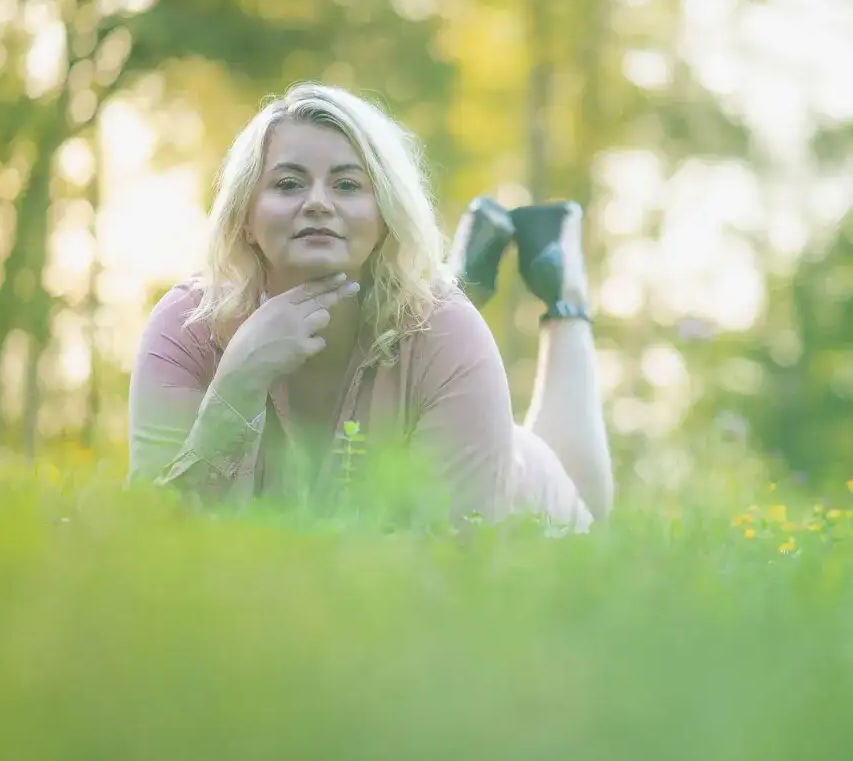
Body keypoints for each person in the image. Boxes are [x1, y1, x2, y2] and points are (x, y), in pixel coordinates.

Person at [126, 82, 614, 532]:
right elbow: (151, 538)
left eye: (347, 185)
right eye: (289, 184)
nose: (318, 203)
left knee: (590, 504)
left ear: (384, 217)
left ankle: (564, 294)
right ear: (245, 218)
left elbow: (458, 557)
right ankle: (466, 275)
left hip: (522, 495)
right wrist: (237, 384)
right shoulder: (186, 326)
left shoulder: (446, 326)